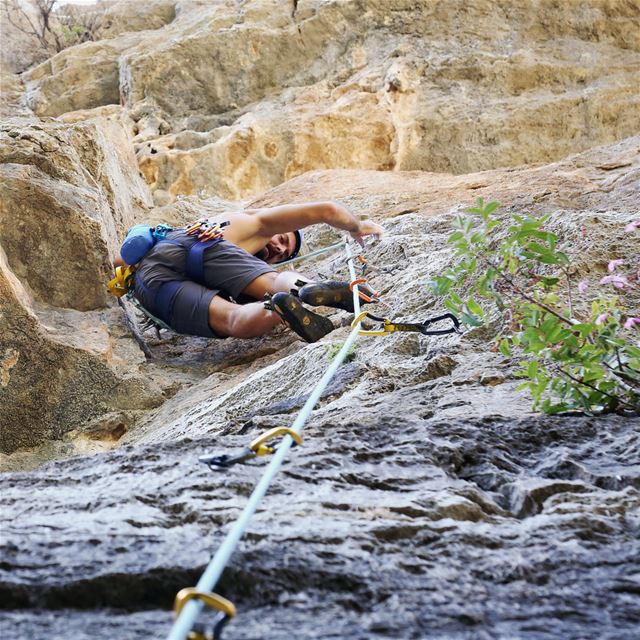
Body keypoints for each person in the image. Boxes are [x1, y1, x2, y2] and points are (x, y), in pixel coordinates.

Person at [119, 201, 384, 343]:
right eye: (282, 238)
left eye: (284, 253)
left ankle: (280, 306)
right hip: (196, 248)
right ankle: (303, 288)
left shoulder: (216, 230)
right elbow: (329, 210)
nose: (279, 246)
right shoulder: (253, 224)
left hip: (153, 281)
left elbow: (118, 260)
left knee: (237, 317)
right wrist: (356, 226)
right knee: (270, 284)